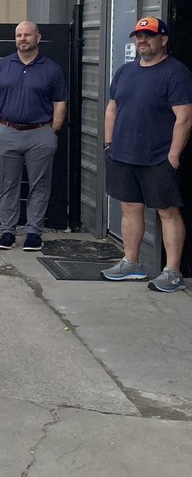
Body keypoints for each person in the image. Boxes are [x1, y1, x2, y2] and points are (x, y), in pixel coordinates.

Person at [101, 16, 192, 293]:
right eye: (139, 37)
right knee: (130, 208)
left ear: (163, 40)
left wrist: (174, 156)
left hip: (158, 158)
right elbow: (112, 108)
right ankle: (132, 263)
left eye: (149, 36)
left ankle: (172, 271)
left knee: (167, 212)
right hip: (123, 154)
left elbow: (184, 118)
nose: (142, 41)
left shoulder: (175, 72)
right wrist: (108, 144)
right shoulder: (125, 72)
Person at [0, 21, 69, 252]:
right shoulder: (1, 66)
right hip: (7, 132)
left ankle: (34, 232)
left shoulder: (51, 68)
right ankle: (7, 232)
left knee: (40, 185)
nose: (23, 39)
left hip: (40, 134)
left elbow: (60, 101)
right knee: (8, 184)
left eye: (27, 35)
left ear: (38, 38)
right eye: (19, 35)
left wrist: (53, 130)